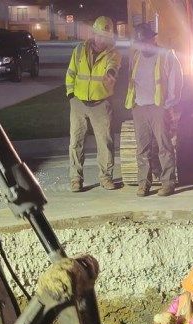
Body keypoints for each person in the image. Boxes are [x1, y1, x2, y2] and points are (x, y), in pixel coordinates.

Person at [124, 23, 183, 197]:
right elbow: (132, 81)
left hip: (159, 108)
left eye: (145, 41)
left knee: (164, 146)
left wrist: (168, 105)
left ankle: (168, 183)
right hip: (140, 108)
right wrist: (133, 103)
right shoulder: (135, 57)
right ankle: (144, 184)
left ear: (153, 39)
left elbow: (176, 81)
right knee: (142, 149)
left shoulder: (166, 55)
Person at [65, 16, 122, 193]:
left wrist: (111, 74)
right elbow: (71, 72)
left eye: (106, 36)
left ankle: (105, 178)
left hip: (101, 104)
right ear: (94, 33)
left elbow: (113, 66)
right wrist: (71, 95)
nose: (102, 39)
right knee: (76, 142)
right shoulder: (79, 49)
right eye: (100, 35)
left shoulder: (114, 53)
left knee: (105, 142)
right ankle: (76, 179)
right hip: (78, 103)